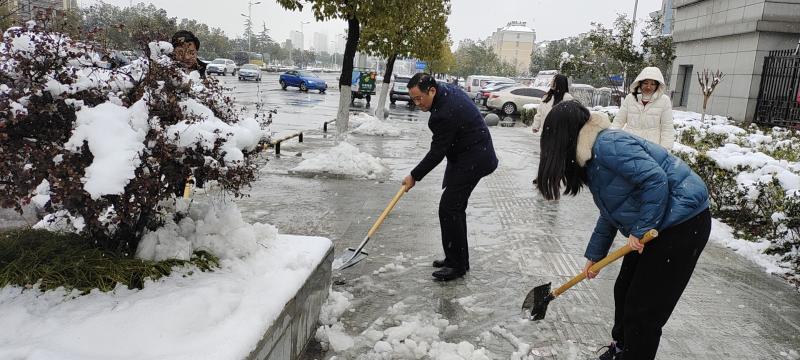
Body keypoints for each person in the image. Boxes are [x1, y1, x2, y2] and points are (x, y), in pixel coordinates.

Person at [535, 100, 711, 360]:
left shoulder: (609, 145)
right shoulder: (591, 156)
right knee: (624, 290)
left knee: (644, 309)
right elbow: (612, 209)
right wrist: (595, 255)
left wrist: (641, 229)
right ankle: (621, 349)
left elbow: (656, 180)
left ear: (564, 136)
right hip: (659, 220)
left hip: (683, 223)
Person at [402, 73, 498, 281]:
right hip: (470, 154)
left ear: (432, 91)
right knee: (454, 208)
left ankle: (456, 265)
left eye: (419, 98)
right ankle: (457, 259)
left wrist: (414, 176)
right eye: (413, 99)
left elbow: (437, 153)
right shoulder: (445, 92)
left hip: (474, 159)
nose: (417, 103)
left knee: (449, 208)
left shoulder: (444, 113)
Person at [612, 66, 674, 148]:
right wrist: (610, 138)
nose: (648, 87)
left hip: (651, 146)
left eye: (652, 84)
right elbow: (618, 121)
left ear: (657, 85)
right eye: (645, 83)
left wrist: (665, 149)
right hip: (629, 143)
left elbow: (667, 127)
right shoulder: (630, 98)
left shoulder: (664, 100)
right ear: (640, 83)